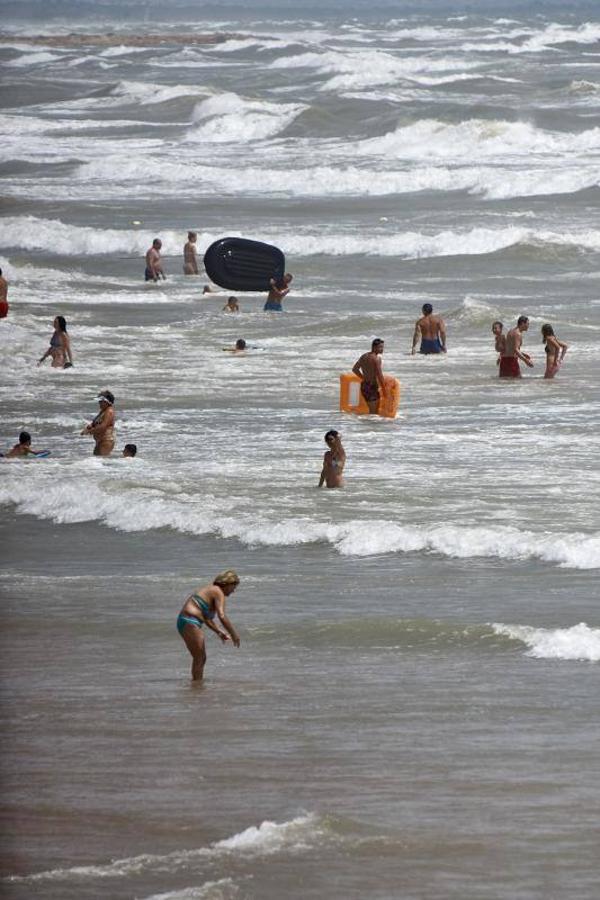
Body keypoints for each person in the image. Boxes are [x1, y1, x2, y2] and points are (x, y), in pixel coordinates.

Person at [176, 570, 241, 681]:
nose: (234, 590)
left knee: (200, 658)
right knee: (200, 658)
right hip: (190, 621)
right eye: (234, 586)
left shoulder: (212, 591)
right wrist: (234, 634)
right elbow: (222, 616)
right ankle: (197, 687)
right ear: (227, 583)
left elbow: (207, 619)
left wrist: (219, 632)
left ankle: (196, 685)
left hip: (186, 621)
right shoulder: (217, 591)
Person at [352, 338, 386, 414]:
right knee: (373, 413)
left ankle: (368, 425)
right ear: (374, 347)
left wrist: (363, 378)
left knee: (372, 411)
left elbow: (355, 369)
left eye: (383, 347)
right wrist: (384, 391)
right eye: (380, 347)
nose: (382, 349)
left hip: (364, 386)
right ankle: (370, 425)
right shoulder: (377, 359)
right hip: (372, 386)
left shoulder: (364, 356)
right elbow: (380, 376)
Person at [81, 390, 115, 456]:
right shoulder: (103, 411)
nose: (99, 403)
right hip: (100, 441)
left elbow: (103, 426)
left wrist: (90, 431)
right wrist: (88, 427)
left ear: (106, 402)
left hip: (106, 440)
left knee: (102, 463)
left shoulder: (109, 411)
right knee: (96, 461)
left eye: (101, 401)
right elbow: (94, 422)